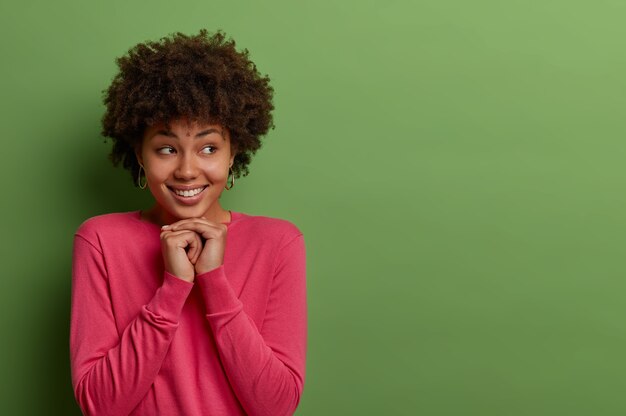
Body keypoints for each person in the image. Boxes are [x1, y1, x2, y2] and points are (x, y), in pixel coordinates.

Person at [70, 30, 306, 416]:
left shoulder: (278, 242)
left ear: (234, 153)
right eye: (167, 148)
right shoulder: (99, 240)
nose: (187, 169)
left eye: (209, 147)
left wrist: (213, 281)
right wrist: (173, 288)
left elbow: (276, 406)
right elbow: (100, 405)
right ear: (140, 155)